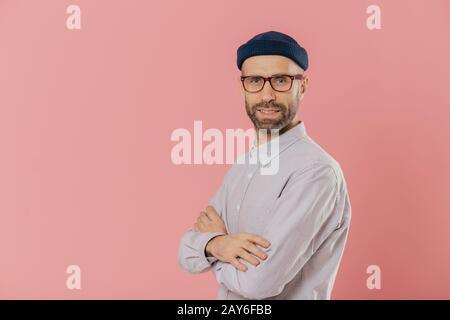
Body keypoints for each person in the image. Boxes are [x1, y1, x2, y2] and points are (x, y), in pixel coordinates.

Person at [178, 30, 352, 300]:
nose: (267, 95)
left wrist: (212, 249)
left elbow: (257, 284)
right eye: (256, 80)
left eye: (281, 80)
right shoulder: (242, 166)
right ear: (242, 87)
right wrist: (218, 242)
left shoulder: (316, 172)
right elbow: (185, 253)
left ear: (302, 86)